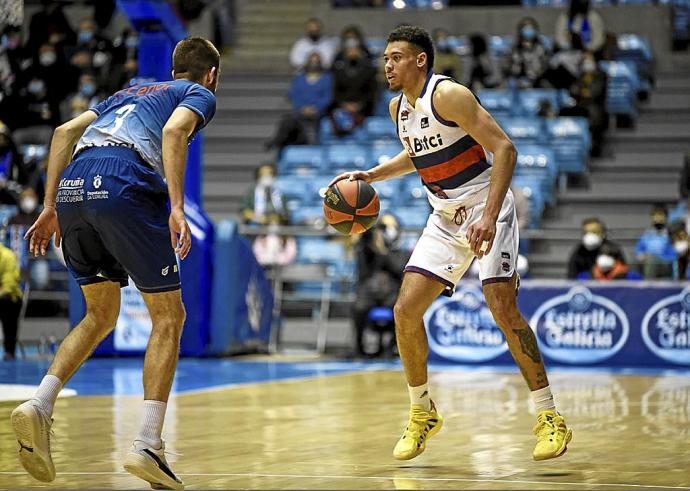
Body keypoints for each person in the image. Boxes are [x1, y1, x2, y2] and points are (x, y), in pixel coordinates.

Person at [330, 25, 571, 463]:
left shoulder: (450, 95)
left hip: (486, 205)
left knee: (501, 305)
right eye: (385, 58)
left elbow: (505, 149)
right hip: (443, 216)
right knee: (405, 311)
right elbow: (419, 153)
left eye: (396, 57)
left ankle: (549, 415)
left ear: (420, 60)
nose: (387, 65)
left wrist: (488, 215)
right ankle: (422, 411)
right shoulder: (396, 108)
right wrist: (372, 175)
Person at [10, 37, 219, 490]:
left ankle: (41, 404)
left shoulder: (125, 93)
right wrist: (178, 207)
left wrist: (48, 206)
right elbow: (173, 132)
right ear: (211, 75)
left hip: (73, 185)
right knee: (169, 316)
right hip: (124, 180)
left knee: (100, 313)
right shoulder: (197, 93)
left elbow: (63, 133)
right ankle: (146, 443)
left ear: (172, 67)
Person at [352, 213, 409, 357]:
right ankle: (359, 348)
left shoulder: (402, 253)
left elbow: (398, 269)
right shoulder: (372, 251)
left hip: (391, 294)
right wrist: (369, 233)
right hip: (370, 294)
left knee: (401, 307)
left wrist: (385, 250)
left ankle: (391, 346)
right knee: (358, 307)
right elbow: (365, 266)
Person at [504, 17, 549, 88]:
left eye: (531, 28)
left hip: (537, 83)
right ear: (520, 30)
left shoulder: (542, 49)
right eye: (526, 28)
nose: (528, 31)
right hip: (518, 83)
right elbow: (507, 67)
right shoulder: (513, 49)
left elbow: (545, 67)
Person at [635, 204, 677, 279]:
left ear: (666, 217)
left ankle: (648, 286)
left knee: (651, 260)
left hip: (666, 264)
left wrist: (653, 257)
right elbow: (639, 250)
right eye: (655, 215)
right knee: (631, 260)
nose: (657, 218)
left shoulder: (671, 235)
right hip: (648, 262)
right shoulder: (647, 235)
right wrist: (641, 255)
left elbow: (673, 256)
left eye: (660, 215)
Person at [0, 241, 22, 360]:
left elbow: (8, 285)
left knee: (6, 304)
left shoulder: (8, 256)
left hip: (10, 298)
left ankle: (9, 350)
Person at [576, 242, 641, 281]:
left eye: (609, 255)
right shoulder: (586, 277)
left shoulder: (630, 277)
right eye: (601, 254)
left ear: (617, 259)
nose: (604, 259)